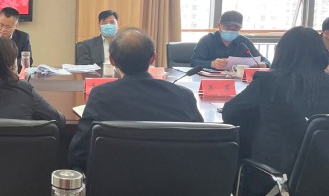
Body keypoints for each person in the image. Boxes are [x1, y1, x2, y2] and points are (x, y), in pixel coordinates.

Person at [68, 27, 202, 174]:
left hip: (114, 184)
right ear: (153, 58)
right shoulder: (184, 96)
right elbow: (202, 146)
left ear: (112, 60)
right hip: (174, 183)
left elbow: (78, 154)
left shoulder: (101, 96)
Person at [222, 26, 329, 175]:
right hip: (320, 172)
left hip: (270, 171)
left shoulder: (269, 80)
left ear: (282, 51)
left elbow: (229, 113)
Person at [190, 10, 270, 70]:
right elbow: (194, 62)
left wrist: (264, 65)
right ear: (219, 25)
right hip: (210, 80)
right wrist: (212, 64)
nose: (231, 31)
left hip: (238, 81)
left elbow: (265, 60)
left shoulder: (244, 42)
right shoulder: (207, 40)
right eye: (227, 28)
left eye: (236, 29)